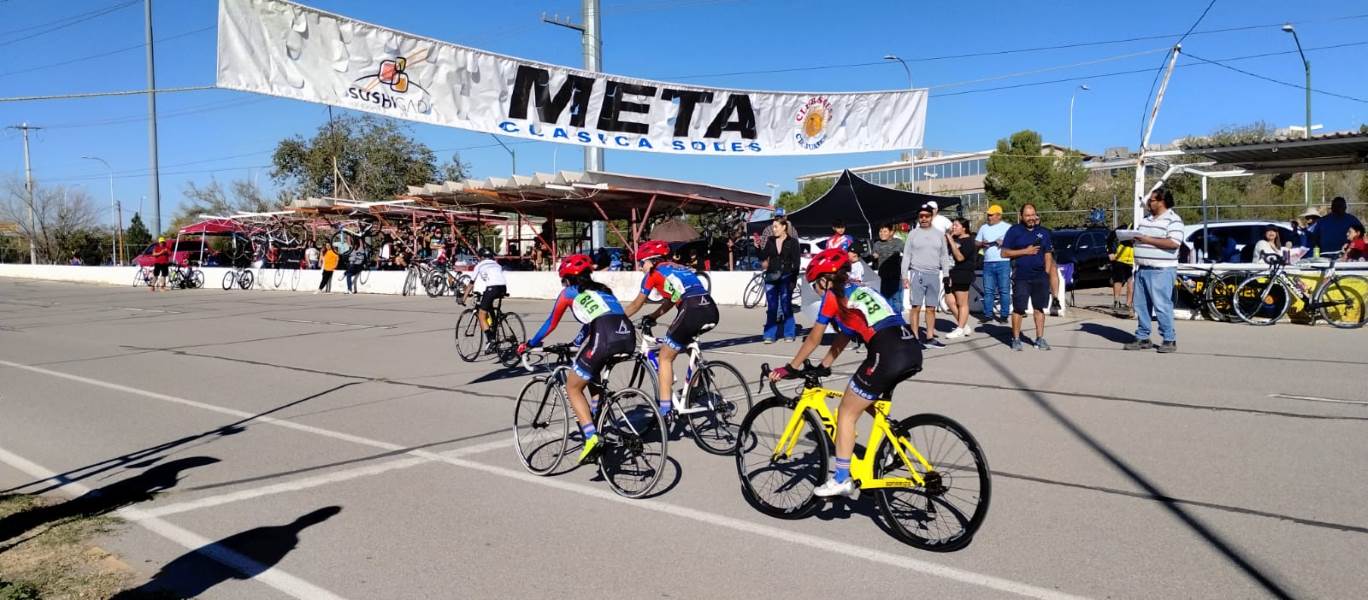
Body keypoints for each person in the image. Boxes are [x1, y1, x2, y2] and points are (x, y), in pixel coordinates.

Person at [769, 248, 922, 498]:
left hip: (887, 352)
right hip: (910, 347)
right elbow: (844, 335)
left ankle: (841, 478)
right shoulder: (860, 290)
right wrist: (825, 364)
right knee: (864, 397)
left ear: (824, 280)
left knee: (846, 412)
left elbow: (815, 338)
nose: (816, 291)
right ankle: (896, 439)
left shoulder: (832, 296)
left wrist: (790, 367)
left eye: (814, 285)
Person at [518, 255, 635, 464]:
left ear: (567, 279)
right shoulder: (603, 290)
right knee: (592, 375)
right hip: (627, 335)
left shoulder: (568, 293)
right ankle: (597, 416)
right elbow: (591, 322)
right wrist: (577, 341)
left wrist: (530, 344)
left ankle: (591, 436)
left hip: (604, 335)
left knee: (573, 387)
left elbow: (550, 323)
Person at [622, 240, 717, 416]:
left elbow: (637, 303)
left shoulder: (652, 274)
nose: (641, 267)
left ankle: (665, 410)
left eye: (642, 263)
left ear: (650, 261)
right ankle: (702, 372)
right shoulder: (678, 267)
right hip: (710, 308)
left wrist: (617, 319)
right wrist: (653, 316)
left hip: (691, 309)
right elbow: (672, 299)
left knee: (665, 357)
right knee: (685, 339)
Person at [1124, 188, 1184, 353]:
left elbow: (1174, 243)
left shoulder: (1174, 220)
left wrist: (1146, 239)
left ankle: (1169, 339)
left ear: (1161, 202)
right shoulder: (1146, 219)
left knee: (1162, 305)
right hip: (1142, 269)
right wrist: (1132, 239)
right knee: (1141, 305)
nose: (1149, 203)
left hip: (1161, 270)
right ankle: (1143, 337)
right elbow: (1141, 238)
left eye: (1152, 200)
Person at [1000, 204, 1055, 351]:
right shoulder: (1014, 231)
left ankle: (1039, 339)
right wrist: (1025, 251)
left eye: (1033, 215)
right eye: (1027, 215)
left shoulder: (1043, 232)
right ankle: (1016, 339)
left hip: (1040, 277)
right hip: (1021, 276)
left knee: (1039, 308)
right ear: (1021, 216)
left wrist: (1047, 272)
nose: (1031, 218)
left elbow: (1048, 253)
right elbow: (1004, 253)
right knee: (1019, 308)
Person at [900, 204, 953, 349]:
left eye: (927, 216)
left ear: (931, 217)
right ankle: (915, 338)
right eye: (921, 216)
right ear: (918, 218)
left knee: (931, 308)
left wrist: (946, 274)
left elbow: (944, 255)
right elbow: (906, 256)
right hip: (917, 273)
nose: (924, 219)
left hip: (934, 274)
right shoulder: (913, 234)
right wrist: (904, 275)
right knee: (915, 306)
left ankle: (930, 337)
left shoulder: (939, 234)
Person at [762, 219, 800, 343]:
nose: (774, 229)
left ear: (784, 227)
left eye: (776, 227)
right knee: (772, 307)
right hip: (771, 276)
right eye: (773, 227)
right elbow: (763, 257)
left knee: (785, 305)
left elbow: (797, 263)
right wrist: (757, 248)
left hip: (786, 277)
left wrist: (793, 280)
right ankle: (769, 335)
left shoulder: (793, 242)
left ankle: (789, 333)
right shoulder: (770, 241)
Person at [462, 248, 509, 350]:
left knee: (481, 315)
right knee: (489, 303)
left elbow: (471, 283)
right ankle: (494, 325)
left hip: (492, 288)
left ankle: (491, 340)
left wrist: (464, 298)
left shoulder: (479, 265)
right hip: (503, 287)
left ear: (481, 257)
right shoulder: (497, 264)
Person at [975, 205, 1011, 324]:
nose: (989, 217)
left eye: (991, 215)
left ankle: (1004, 315)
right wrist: (981, 244)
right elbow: (976, 242)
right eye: (988, 215)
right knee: (988, 290)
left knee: (1004, 290)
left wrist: (1004, 242)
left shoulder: (1008, 227)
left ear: (999, 216)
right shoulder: (983, 227)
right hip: (987, 263)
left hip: (1003, 262)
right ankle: (988, 315)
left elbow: (1014, 243)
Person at [944, 218, 976, 339]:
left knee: (961, 302)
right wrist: (948, 238)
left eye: (956, 225)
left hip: (963, 273)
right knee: (949, 300)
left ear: (964, 228)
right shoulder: (954, 239)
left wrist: (951, 240)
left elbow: (960, 257)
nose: (953, 227)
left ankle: (960, 328)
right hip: (950, 273)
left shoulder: (968, 241)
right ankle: (963, 325)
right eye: (953, 225)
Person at [870, 223, 903, 303]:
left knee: (897, 301)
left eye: (885, 231)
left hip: (896, 276)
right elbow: (873, 256)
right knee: (885, 300)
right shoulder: (877, 244)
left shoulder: (899, 242)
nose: (882, 234)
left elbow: (908, 254)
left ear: (891, 232)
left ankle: (898, 315)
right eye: (880, 231)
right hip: (883, 277)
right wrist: (873, 256)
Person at [1107, 228, 1136, 315]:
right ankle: (1116, 301)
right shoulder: (1126, 227)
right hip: (1120, 258)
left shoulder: (1143, 227)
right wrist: (1110, 252)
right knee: (1118, 279)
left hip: (1133, 260)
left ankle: (1128, 304)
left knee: (1131, 281)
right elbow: (1111, 236)